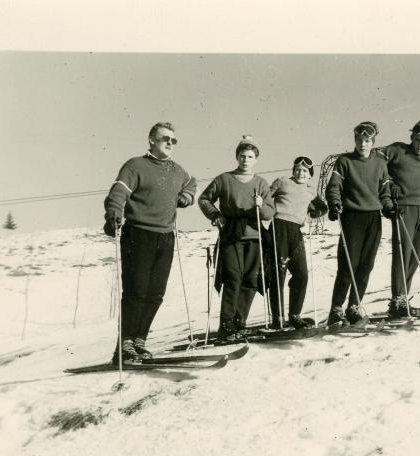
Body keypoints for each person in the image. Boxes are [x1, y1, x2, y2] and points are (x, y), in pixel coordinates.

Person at [103, 122, 197, 364]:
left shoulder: (177, 171)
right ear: (151, 140)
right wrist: (114, 214)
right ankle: (123, 347)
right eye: (165, 138)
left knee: (155, 293)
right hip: (139, 234)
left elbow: (191, 182)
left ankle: (139, 342)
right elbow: (118, 192)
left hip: (165, 236)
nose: (170, 143)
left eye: (173, 140)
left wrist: (186, 196)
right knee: (136, 291)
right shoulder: (135, 166)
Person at [198, 135, 275, 343]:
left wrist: (260, 205)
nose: (245, 160)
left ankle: (240, 323)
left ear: (256, 159)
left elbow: (270, 212)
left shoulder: (261, 183)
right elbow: (204, 199)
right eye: (242, 156)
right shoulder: (224, 179)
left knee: (250, 278)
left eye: (250, 156)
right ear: (236, 157)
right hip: (231, 232)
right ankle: (226, 326)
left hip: (254, 233)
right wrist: (215, 215)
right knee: (232, 277)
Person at [324, 121, 393, 326]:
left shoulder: (380, 164)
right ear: (355, 140)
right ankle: (336, 309)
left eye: (367, 140)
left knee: (366, 265)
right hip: (352, 217)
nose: (363, 144)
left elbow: (385, 191)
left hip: (373, 217)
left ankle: (354, 306)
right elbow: (334, 187)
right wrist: (334, 203)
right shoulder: (344, 161)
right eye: (360, 140)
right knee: (348, 265)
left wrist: (388, 206)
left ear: (373, 142)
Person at [381, 120, 420, 317]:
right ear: (411, 138)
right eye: (417, 139)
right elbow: (376, 161)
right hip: (403, 208)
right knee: (403, 254)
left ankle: (402, 299)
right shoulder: (397, 150)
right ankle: (397, 299)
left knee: (414, 256)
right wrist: (389, 182)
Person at [267, 156, 328, 329]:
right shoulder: (283, 182)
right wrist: (265, 206)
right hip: (279, 227)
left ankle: (295, 315)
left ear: (310, 176)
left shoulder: (310, 191)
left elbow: (323, 208)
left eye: (305, 171)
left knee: (301, 274)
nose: (301, 173)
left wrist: (310, 215)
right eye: (298, 169)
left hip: (295, 231)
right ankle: (277, 318)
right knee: (279, 273)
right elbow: (266, 197)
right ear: (293, 171)